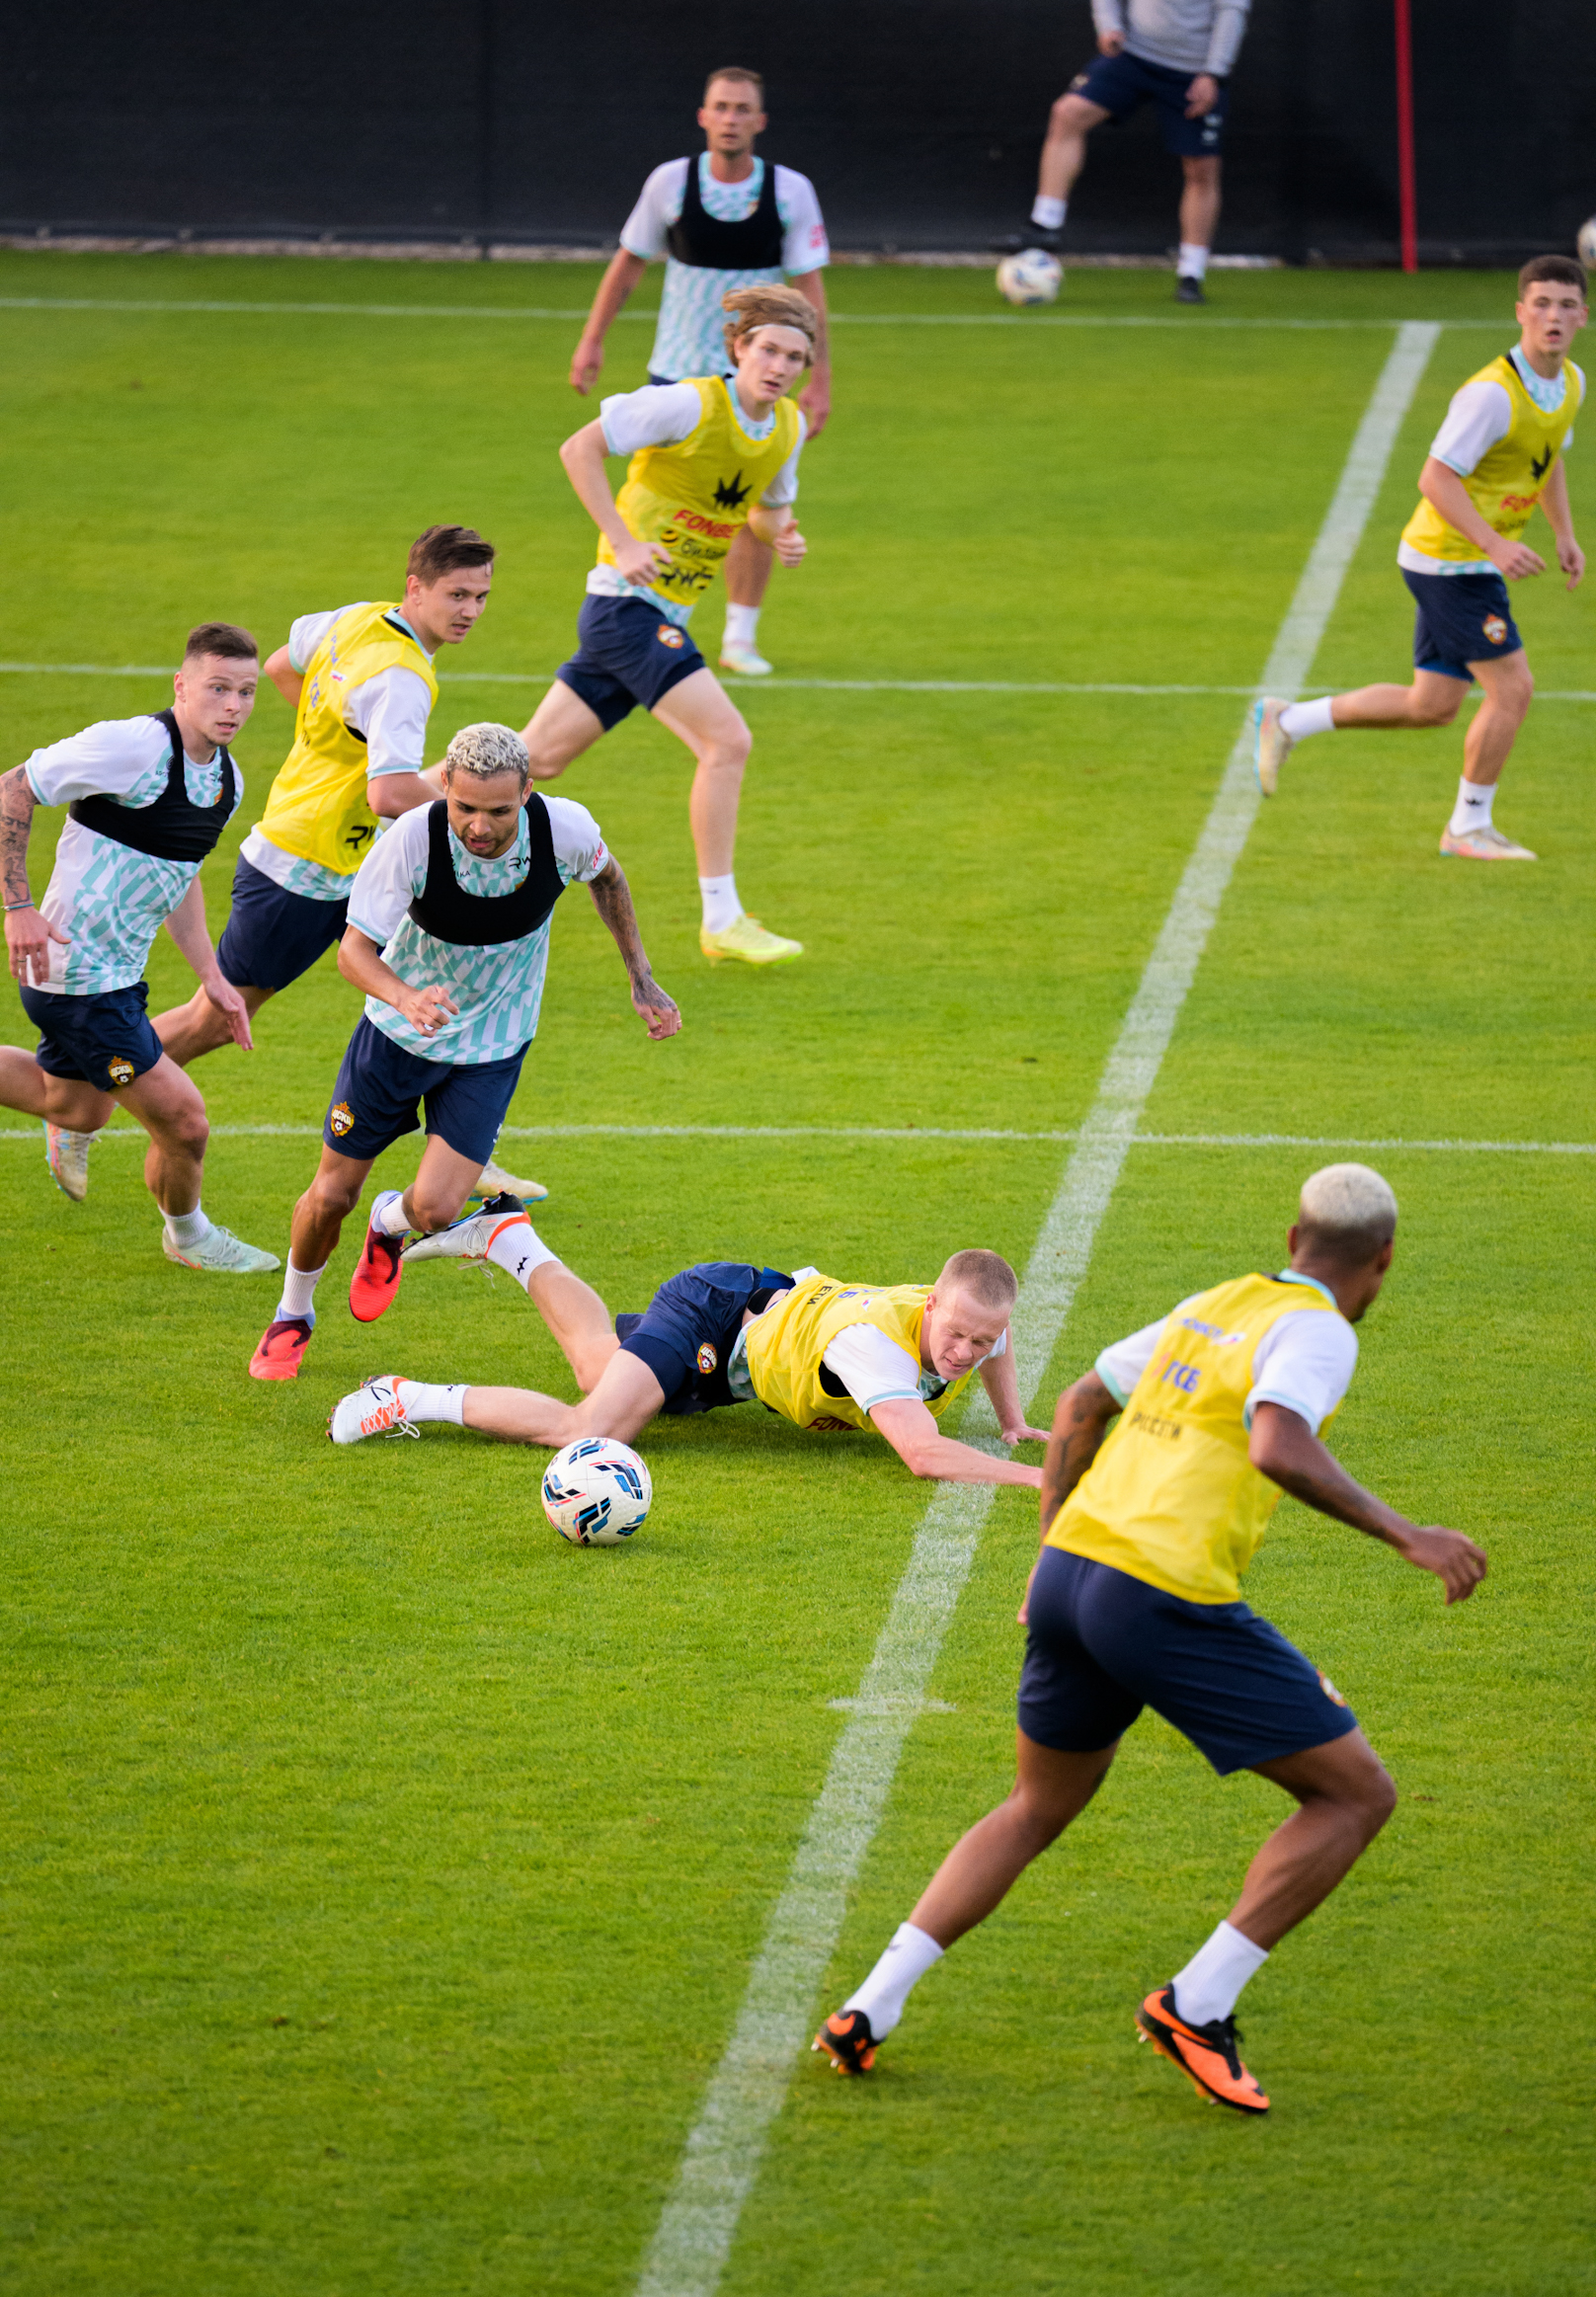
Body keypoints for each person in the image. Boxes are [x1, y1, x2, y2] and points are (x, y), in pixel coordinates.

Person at [813, 1165, 1487, 2113]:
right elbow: (1277, 1442)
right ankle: (1196, 2006)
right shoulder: (1319, 1331)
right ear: (1382, 1261)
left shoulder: (1217, 1303)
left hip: (1072, 1575)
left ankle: (868, 2006)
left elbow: (1082, 1403)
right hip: (1158, 1595)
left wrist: (1052, 1551)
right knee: (1355, 1794)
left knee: (1034, 1807)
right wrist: (1409, 1535)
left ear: (1293, 1241)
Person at [249, 723, 679, 1381]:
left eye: (499, 811)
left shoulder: (562, 830)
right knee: (331, 1195)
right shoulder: (411, 841)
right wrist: (405, 997)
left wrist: (640, 975)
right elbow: (354, 953)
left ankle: (388, 1224)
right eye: (466, 807)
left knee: (436, 1211)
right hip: (397, 1038)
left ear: (527, 792)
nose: (480, 826)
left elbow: (609, 879)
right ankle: (293, 1313)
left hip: (493, 1041)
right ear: (445, 784)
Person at [151, 525, 541, 1202]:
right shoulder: (403, 680)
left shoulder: (353, 619)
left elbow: (283, 667)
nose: (471, 611)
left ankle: (464, 1151)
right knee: (215, 1018)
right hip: (304, 869)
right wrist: (475, 814)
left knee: (439, 985)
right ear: (416, 587)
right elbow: (388, 794)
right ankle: (86, 1086)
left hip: (352, 858)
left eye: (481, 596)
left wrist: (334, 742)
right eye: (456, 595)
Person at [1255, 257, 1588, 861]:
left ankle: (1287, 721)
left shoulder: (1571, 383)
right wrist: (1495, 543)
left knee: (1430, 706)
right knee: (1513, 689)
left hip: (1469, 561)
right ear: (1520, 312)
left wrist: (1564, 534)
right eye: (1541, 304)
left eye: (1566, 306)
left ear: (1583, 317)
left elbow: (1548, 457)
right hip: (1450, 562)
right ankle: (1467, 827)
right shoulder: (1491, 395)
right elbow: (1434, 477)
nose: (1553, 317)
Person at [524, 286, 815, 968]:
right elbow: (579, 448)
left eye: (794, 357)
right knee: (728, 740)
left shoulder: (788, 428)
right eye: (768, 350)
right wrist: (624, 542)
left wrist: (782, 534)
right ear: (739, 348)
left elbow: (764, 510)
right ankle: (723, 918)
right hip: (625, 609)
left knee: (533, 762)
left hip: (661, 612)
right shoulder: (686, 404)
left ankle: (379, 809)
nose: (779, 366)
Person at [0, 624, 278, 1271]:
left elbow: (178, 878)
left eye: (245, 692)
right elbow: (13, 787)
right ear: (181, 686)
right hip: (77, 978)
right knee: (185, 1121)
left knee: (72, 1106)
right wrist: (17, 906)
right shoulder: (133, 747)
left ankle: (84, 1140)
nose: (233, 705)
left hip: (115, 977)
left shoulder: (225, 781)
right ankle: (190, 1238)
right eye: (217, 688)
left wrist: (212, 976)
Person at [326, 1243, 1050, 1487]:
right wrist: (1043, 1480)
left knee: (598, 1366)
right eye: (957, 1335)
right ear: (932, 1305)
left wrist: (1012, 1420)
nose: (965, 1353)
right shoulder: (876, 1348)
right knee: (592, 1427)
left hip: (744, 1337)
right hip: (716, 1314)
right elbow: (923, 1455)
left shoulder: (972, 1320)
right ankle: (405, 1395)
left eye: (980, 1341)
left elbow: (999, 1341)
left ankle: (510, 1237)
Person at [569, 64, 831, 678]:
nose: (731, 118)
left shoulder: (790, 192)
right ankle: (635, 615)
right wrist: (592, 339)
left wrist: (818, 377)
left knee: (751, 501)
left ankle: (739, 637)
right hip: (678, 376)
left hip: (758, 377)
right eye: (722, 107)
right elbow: (629, 263)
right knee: (660, 500)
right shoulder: (670, 183)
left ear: (760, 121)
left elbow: (809, 288)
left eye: (743, 109)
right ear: (703, 116)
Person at [1014, 0, 1252, 305]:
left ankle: (1191, 275)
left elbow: (1232, 6)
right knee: (1067, 113)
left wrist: (1213, 72)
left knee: (1201, 169)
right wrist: (1109, 27)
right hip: (1134, 56)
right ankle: (1045, 225)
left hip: (1192, 69)